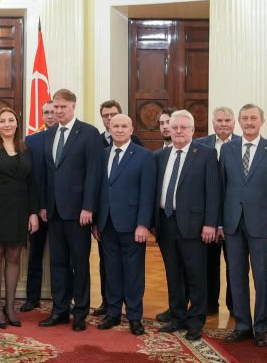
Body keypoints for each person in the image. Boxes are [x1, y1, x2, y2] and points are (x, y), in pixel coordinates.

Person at [219, 103, 267, 347]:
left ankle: (261, 327)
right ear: (239, 121)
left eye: (253, 118)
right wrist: (220, 223)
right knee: (236, 276)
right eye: (245, 118)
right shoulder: (227, 149)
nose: (249, 122)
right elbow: (221, 188)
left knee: (262, 278)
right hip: (233, 224)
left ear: (262, 121)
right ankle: (242, 325)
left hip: (263, 226)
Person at [153, 110, 220, 341]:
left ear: (192, 130)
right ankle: (177, 316)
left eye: (183, 127)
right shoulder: (160, 156)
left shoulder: (206, 154)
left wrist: (210, 223)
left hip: (195, 225)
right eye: (175, 127)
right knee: (173, 274)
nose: (178, 131)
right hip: (166, 222)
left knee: (196, 275)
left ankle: (195, 321)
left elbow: (213, 191)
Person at [38, 89, 101, 332]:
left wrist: (88, 207)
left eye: (63, 107)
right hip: (54, 211)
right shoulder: (49, 133)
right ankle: (60, 310)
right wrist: (44, 205)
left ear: (74, 106)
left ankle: (80, 312)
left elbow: (93, 173)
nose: (58, 111)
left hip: (78, 212)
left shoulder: (88, 133)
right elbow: (47, 173)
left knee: (79, 263)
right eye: (55, 107)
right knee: (58, 263)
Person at [0, 107, 39, 328]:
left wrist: (33, 212)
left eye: (11, 120)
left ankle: (10, 307)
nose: (7, 124)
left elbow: (32, 184)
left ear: (17, 123)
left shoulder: (25, 148)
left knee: (13, 257)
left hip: (20, 210)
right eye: (2, 121)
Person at [93, 113, 157, 335]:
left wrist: (143, 224)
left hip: (132, 225)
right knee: (111, 270)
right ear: (109, 129)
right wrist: (96, 222)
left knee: (133, 272)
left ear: (131, 130)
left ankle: (134, 316)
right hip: (106, 223)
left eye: (124, 126)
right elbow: (98, 190)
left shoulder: (144, 156)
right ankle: (112, 313)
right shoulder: (101, 155)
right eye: (115, 126)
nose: (119, 130)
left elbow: (148, 193)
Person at [195, 105, 239, 320]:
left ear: (234, 123)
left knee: (235, 265)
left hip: (235, 216)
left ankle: (235, 306)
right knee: (208, 264)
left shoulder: (243, 144)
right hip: (207, 217)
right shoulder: (199, 145)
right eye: (219, 121)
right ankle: (209, 304)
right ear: (213, 123)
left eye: (227, 120)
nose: (223, 124)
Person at [19, 99, 56, 312]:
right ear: (41, 116)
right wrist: (34, 208)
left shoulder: (69, 138)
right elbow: (30, 178)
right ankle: (32, 298)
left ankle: (62, 298)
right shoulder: (31, 141)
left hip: (61, 209)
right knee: (35, 255)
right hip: (36, 208)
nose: (50, 115)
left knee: (61, 257)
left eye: (53, 111)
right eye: (46, 112)